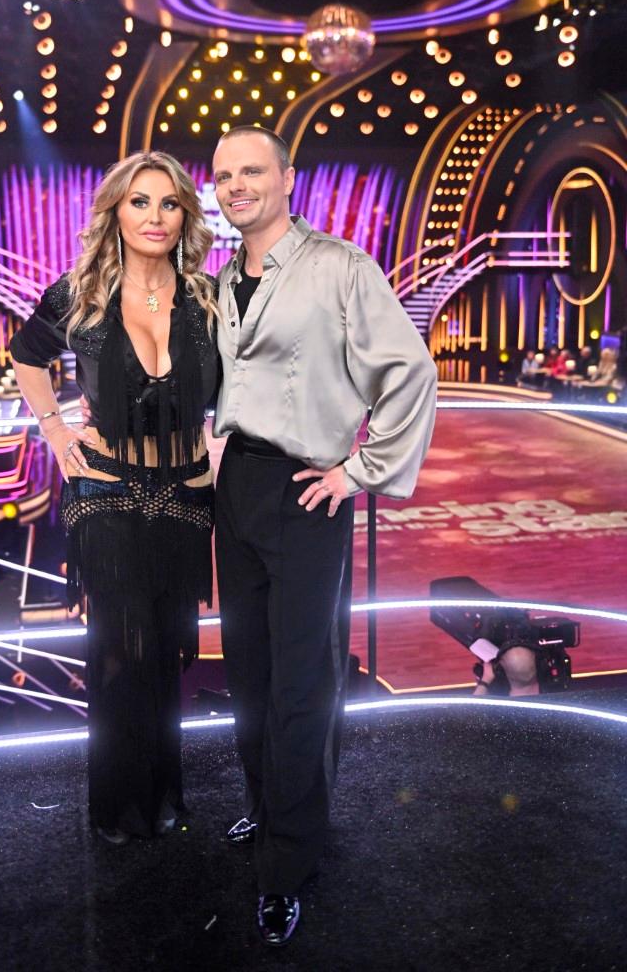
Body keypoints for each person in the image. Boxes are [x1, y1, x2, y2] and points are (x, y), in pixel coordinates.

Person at [210, 126, 437, 945]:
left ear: (288, 178)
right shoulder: (221, 278)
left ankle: (287, 863)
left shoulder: (341, 266)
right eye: (224, 175)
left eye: (252, 171)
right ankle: (270, 808)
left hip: (308, 489)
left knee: (302, 681)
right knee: (248, 670)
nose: (237, 186)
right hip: (236, 488)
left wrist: (359, 470)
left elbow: (410, 372)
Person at [9, 152, 219, 846]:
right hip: (106, 490)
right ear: (115, 213)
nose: (155, 217)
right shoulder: (82, 293)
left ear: (185, 216)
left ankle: (164, 794)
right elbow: (25, 354)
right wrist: (52, 427)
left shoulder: (208, 298)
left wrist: (225, 441)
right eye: (139, 202)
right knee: (122, 648)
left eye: (169, 203)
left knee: (166, 649)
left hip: (186, 496)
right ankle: (118, 804)